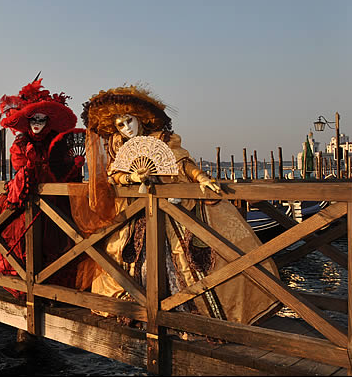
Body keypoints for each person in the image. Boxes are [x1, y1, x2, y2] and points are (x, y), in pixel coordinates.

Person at [72, 84, 280, 326]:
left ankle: (184, 309)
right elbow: (114, 175)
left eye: (129, 120)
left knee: (182, 257)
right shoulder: (119, 145)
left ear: (139, 118)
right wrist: (132, 177)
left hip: (170, 209)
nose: (126, 128)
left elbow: (182, 164)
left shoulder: (163, 139)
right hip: (137, 212)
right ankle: (144, 306)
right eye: (120, 124)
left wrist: (201, 177)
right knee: (132, 256)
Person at [0, 77, 84, 298]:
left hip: (55, 205)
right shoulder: (21, 145)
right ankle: (30, 281)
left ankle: (53, 285)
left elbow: (67, 175)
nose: (37, 123)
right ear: (27, 121)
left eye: (42, 119)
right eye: (33, 119)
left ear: (48, 121)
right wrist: (31, 166)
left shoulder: (58, 145)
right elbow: (20, 170)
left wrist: (73, 166)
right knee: (27, 242)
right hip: (29, 204)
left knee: (60, 242)